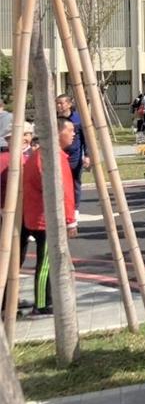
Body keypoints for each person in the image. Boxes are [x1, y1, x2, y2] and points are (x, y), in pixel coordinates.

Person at [20, 117, 78, 315]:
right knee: (45, 262)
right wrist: (70, 221)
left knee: (48, 261)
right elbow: (63, 192)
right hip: (45, 219)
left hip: (38, 214)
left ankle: (49, 299)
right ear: (58, 132)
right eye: (70, 130)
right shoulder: (50, 158)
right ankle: (42, 303)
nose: (73, 134)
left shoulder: (44, 155)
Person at [55, 93, 89, 218]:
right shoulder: (54, 119)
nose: (59, 106)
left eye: (61, 103)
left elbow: (86, 138)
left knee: (75, 182)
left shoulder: (78, 119)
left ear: (69, 104)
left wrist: (87, 155)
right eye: (57, 103)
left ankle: (74, 208)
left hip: (74, 156)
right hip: (58, 156)